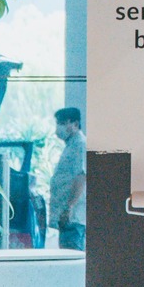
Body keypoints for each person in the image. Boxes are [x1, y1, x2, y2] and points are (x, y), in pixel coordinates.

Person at [49, 107, 86, 251]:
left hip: (73, 217)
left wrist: (68, 208)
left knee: (72, 259)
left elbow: (81, 177)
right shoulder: (71, 145)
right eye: (58, 123)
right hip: (67, 217)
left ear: (75, 124)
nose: (59, 127)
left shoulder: (80, 145)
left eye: (63, 123)